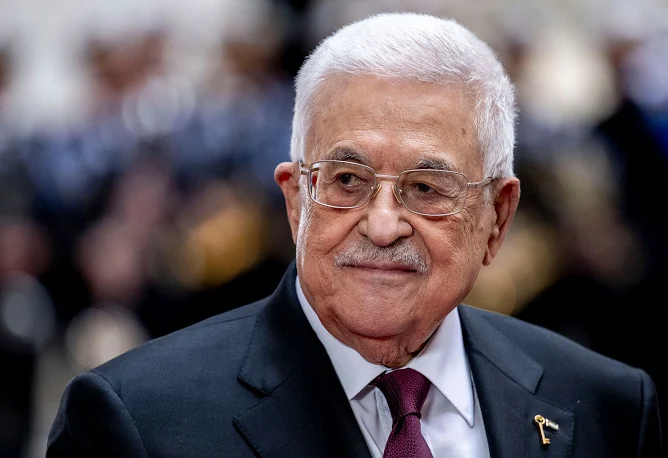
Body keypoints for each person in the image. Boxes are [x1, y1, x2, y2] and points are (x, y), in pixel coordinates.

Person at [47, 13, 663, 457]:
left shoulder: (605, 406)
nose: (383, 224)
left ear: (497, 218)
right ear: (295, 201)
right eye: (347, 180)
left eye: (427, 188)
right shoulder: (137, 421)